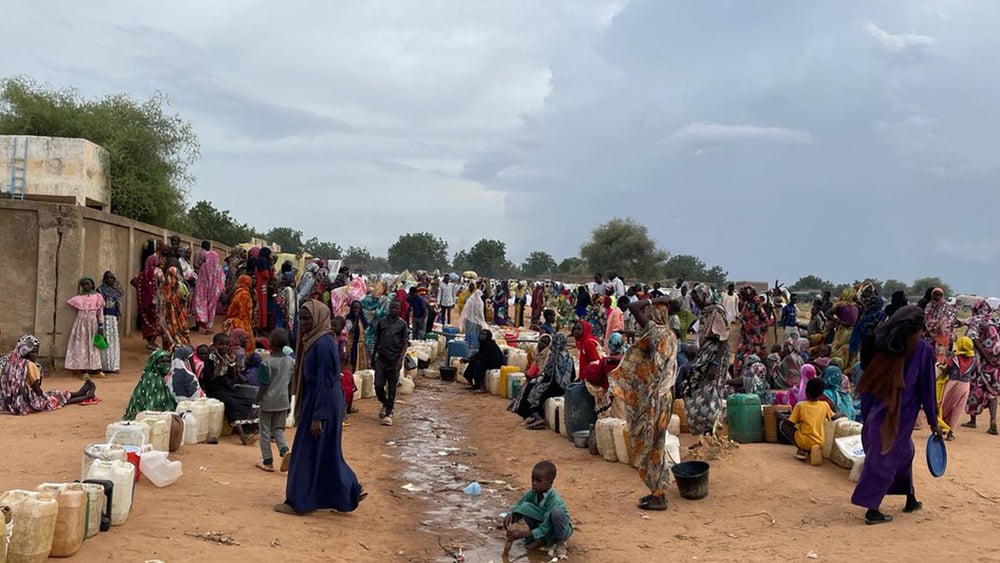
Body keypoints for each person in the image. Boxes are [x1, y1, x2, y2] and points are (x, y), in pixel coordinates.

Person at [852, 305, 941, 525]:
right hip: (898, 416)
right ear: (918, 328)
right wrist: (933, 422)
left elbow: (870, 381)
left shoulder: (887, 345)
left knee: (904, 453)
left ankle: (910, 497)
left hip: (878, 412)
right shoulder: (922, 349)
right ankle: (872, 509)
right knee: (884, 457)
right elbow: (927, 389)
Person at [275, 301, 365, 515]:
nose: (304, 323)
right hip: (320, 400)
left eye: (308, 319)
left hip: (321, 402)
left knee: (306, 452)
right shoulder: (315, 340)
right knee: (324, 452)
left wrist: (318, 417)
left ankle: (298, 501)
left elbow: (325, 381)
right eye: (301, 319)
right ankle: (348, 490)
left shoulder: (322, 344)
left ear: (319, 318)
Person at [608, 295, 678, 512]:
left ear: (655, 313)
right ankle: (657, 491)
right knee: (657, 442)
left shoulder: (654, 332)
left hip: (653, 398)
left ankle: (658, 496)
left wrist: (652, 299)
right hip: (666, 397)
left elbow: (632, 306)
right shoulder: (672, 336)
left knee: (649, 444)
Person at [1, 335, 95, 415]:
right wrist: (44, 397)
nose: (35, 355)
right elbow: (37, 390)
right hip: (25, 403)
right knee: (55, 399)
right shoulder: (29, 365)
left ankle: (80, 393)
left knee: (55, 394)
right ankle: (86, 396)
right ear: (25, 352)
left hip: (10, 403)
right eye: (33, 352)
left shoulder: (10, 363)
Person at [683, 284, 731, 435]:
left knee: (711, 393)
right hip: (705, 353)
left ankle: (710, 433)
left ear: (704, 295)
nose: (696, 302)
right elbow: (696, 331)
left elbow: (723, 339)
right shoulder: (704, 312)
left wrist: (715, 364)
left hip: (715, 355)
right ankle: (703, 433)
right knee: (695, 391)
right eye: (694, 299)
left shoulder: (717, 310)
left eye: (697, 298)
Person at [503, 461, 572, 556]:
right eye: (533, 479)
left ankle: (559, 542)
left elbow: (545, 527)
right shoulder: (533, 492)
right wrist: (511, 514)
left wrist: (522, 534)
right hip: (544, 522)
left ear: (550, 482)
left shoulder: (554, 500)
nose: (534, 483)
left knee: (557, 513)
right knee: (525, 507)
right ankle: (542, 540)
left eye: (539, 481)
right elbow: (519, 505)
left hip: (557, 527)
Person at [202, 333, 258, 445]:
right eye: (221, 344)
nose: (225, 347)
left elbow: (232, 376)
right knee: (230, 403)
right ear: (214, 345)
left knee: (247, 400)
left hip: (225, 387)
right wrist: (221, 362)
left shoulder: (228, 357)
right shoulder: (210, 358)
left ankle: (251, 428)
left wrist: (232, 363)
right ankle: (242, 435)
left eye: (227, 344)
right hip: (213, 389)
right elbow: (211, 377)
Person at [256, 329, 294, 472]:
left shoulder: (266, 364)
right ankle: (285, 451)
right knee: (278, 429)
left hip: (267, 402)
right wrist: (289, 400)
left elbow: (263, 385)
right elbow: (291, 384)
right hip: (283, 400)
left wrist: (257, 400)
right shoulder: (290, 361)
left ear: (270, 344)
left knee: (264, 431)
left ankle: (268, 461)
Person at [963, 300, 1000, 435]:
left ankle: (972, 420)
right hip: (995, 363)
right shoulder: (996, 321)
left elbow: (974, 339)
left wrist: (987, 357)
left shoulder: (975, 321)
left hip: (980, 362)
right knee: (992, 392)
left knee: (975, 389)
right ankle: (993, 420)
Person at [779, 378, 834, 465]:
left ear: (806, 392)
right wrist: (843, 415)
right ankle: (813, 449)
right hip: (819, 441)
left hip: (804, 441)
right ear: (821, 394)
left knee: (783, 425)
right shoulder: (825, 405)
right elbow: (833, 417)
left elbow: (791, 423)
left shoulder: (800, 405)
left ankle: (802, 450)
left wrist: (780, 416)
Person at [373, 299, 408, 426]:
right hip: (381, 359)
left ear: (400, 310)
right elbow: (377, 340)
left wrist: (400, 360)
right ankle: (385, 402)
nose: (394, 310)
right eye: (392, 308)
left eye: (397, 308)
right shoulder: (382, 322)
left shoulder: (402, 325)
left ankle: (388, 413)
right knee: (378, 385)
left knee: (392, 388)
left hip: (394, 360)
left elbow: (404, 343)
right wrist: (373, 357)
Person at [66, 277, 106, 379]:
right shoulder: (78, 299)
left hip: (93, 324)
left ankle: (96, 369)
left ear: (92, 285)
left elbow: (100, 313)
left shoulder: (98, 297)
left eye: (88, 284)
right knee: (82, 346)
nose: (86, 286)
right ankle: (83, 371)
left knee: (93, 346)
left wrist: (101, 325)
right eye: (84, 284)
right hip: (81, 325)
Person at [940, 336, 977, 440]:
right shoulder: (974, 360)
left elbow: (946, 370)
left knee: (945, 404)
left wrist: (940, 368)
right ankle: (951, 432)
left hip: (952, 384)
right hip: (965, 386)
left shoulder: (954, 357)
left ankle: (942, 426)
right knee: (958, 408)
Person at [123, 350, 178, 420]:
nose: (166, 364)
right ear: (154, 363)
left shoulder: (149, 375)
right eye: (162, 362)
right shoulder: (155, 379)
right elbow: (153, 408)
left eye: (168, 361)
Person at [734, 285, 769, 375]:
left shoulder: (757, 305)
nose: (742, 297)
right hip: (745, 338)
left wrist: (755, 329)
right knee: (739, 357)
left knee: (750, 359)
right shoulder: (746, 304)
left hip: (754, 340)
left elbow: (767, 323)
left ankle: (747, 379)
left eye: (743, 295)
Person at [193, 241, 225, 334]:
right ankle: (208, 328)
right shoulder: (219, 268)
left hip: (203, 291)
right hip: (214, 292)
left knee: (201, 306)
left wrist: (199, 291)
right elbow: (222, 281)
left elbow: (200, 280)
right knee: (212, 309)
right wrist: (220, 290)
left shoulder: (203, 266)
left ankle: (199, 323)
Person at [97, 271, 123, 374]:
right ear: (104, 279)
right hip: (104, 318)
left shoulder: (116, 292)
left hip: (113, 319)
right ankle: (104, 366)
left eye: (112, 278)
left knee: (114, 342)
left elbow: (118, 306)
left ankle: (114, 366)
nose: (110, 280)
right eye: (108, 278)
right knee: (105, 340)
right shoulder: (100, 290)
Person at [159, 266, 191, 348]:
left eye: (173, 276)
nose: (171, 279)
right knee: (169, 335)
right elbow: (161, 304)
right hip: (169, 316)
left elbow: (186, 299)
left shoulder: (181, 287)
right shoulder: (163, 288)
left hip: (180, 316)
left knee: (181, 335)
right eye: (169, 276)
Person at [924, 287, 957, 364]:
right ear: (932, 295)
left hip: (944, 339)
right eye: (936, 294)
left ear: (942, 296)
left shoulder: (948, 308)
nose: (937, 296)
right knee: (930, 360)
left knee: (942, 361)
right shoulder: (928, 307)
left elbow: (952, 320)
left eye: (939, 295)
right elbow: (926, 320)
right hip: (930, 338)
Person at [828, 286, 859, 363]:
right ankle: (836, 363)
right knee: (838, 347)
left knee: (849, 349)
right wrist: (839, 321)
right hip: (843, 331)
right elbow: (828, 314)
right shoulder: (841, 304)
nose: (854, 296)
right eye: (853, 294)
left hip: (852, 330)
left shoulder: (855, 305)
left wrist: (859, 301)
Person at [458, 283, 488, 353]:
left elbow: (465, 311)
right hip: (476, 322)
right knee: (476, 336)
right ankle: (474, 350)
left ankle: (466, 349)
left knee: (468, 334)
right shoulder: (480, 303)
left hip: (469, 321)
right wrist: (482, 322)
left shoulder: (470, 301)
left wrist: (463, 321)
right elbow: (481, 314)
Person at [225, 275, 255, 344]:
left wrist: (229, 317)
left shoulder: (239, 293)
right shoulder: (246, 294)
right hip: (244, 321)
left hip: (237, 321)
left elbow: (232, 308)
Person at [345, 301, 370, 372]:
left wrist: (360, 318)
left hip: (360, 345)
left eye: (358, 308)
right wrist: (356, 319)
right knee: (350, 362)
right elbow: (350, 330)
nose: (356, 310)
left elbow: (365, 326)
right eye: (354, 308)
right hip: (351, 344)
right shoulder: (348, 318)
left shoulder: (362, 317)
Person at [253, 248, 274, 332]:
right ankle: (260, 325)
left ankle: (260, 325)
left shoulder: (260, 259)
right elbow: (265, 274)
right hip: (262, 285)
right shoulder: (263, 260)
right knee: (261, 304)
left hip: (260, 284)